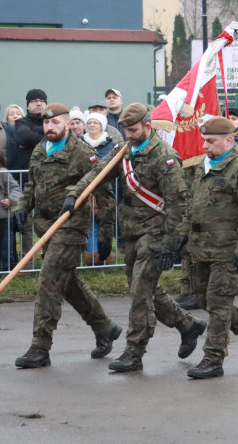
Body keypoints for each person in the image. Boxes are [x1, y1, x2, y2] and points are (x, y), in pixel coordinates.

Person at [70, 103, 207, 373]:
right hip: (133, 231)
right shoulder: (126, 152)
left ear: (148, 126)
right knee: (145, 288)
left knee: (140, 294)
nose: (129, 135)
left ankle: (134, 351)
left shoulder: (165, 157)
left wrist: (173, 241)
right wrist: (74, 193)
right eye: (125, 130)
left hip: (156, 233)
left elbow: (178, 203)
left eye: (133, 130)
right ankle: (187, 325)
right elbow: (98, 173)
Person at [13, 103, 122, 369]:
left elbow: (104, 194)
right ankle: (105, 327)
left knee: (48, 282)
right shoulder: (40, 149)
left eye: (55, 123)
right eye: (46, 124)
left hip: (70, 227)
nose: (50, 128)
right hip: (44, 226)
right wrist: (22, 206)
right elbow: (32, 184)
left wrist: (106, 234)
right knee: (67, 283)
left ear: (68, 124)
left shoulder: (83, 153)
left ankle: (40, 347)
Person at [183, 116, 238, 380]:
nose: (206, 146)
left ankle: (213, 358)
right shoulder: (203, 166)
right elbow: (193, 205)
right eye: (204, 141)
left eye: (211, 141)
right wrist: (180, 237)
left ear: (228, 140)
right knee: (203, 300)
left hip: (227, 249)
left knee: (219, 304)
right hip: (201, 248)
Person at [82, 113, 117, 265]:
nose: (92, 125)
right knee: (89, 224)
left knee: (104, 223)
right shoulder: (80, 143)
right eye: (89, 122)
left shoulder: (110, 145)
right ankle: (90, 257)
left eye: (95, 122)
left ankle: (104, 256)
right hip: (86, 189)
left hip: (105, 190)